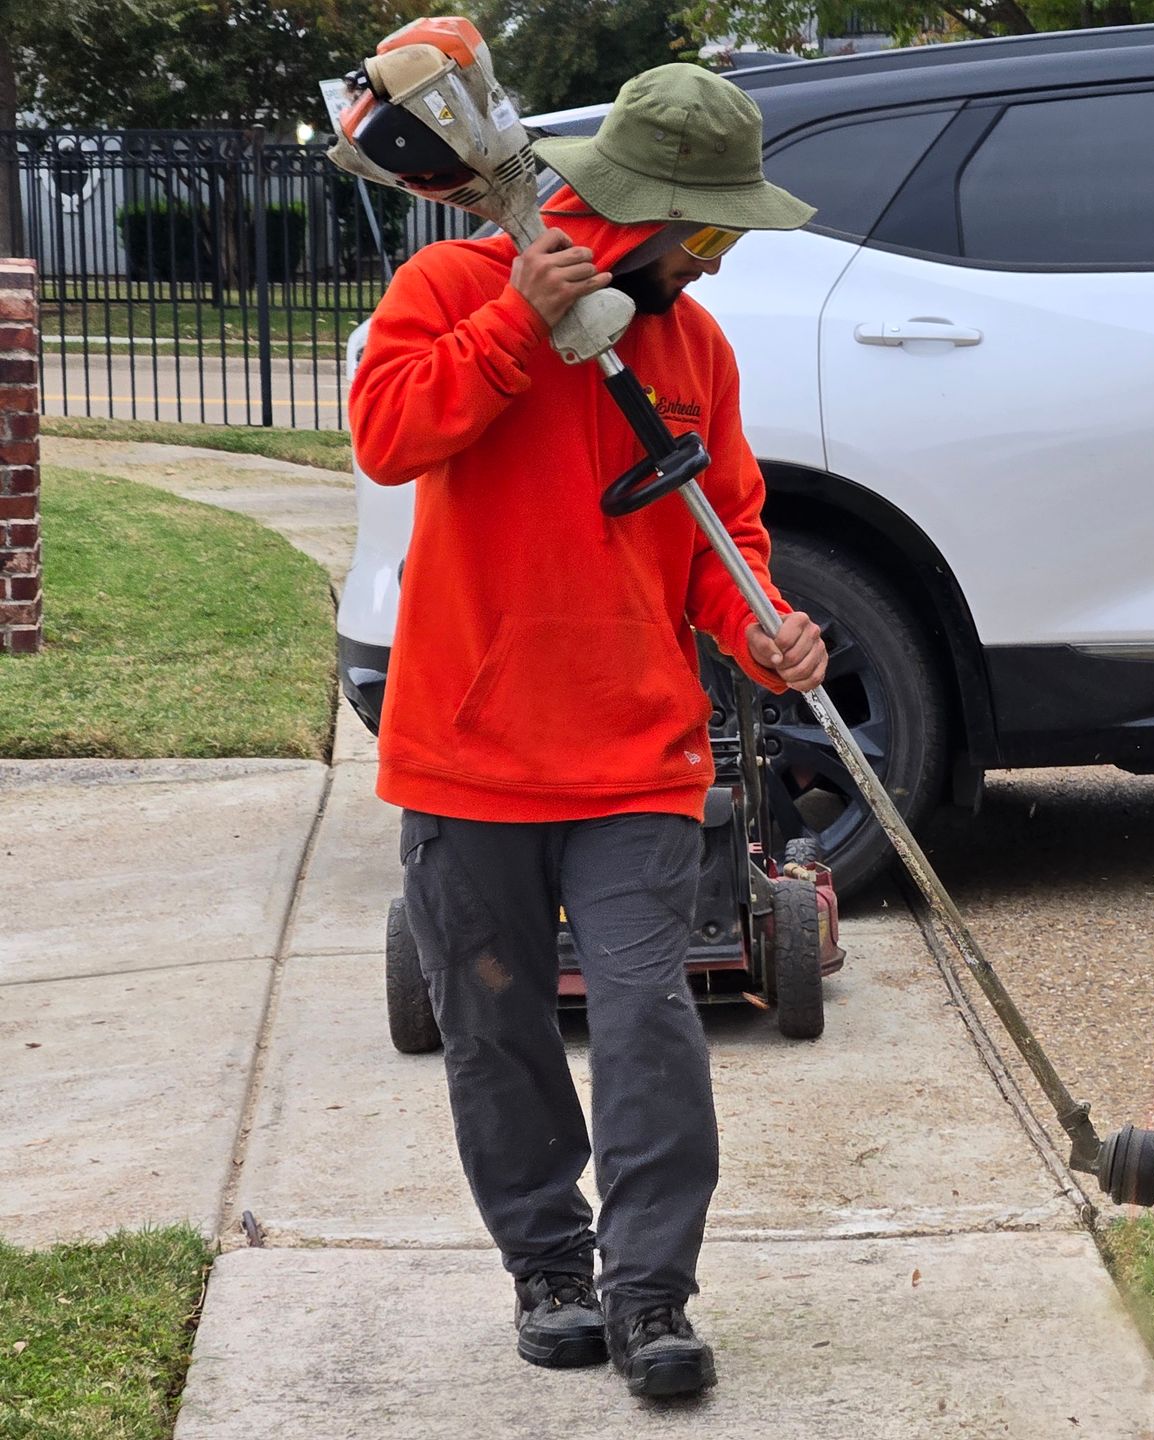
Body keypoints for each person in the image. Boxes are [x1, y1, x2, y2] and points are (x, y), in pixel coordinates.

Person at [347, 62, 826, 1398]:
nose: (716, 261)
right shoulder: (450, 287)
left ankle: (650, 1293)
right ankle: (550, 1269)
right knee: (497, 1031)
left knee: (648, 1024)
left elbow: (722, 533)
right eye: (709, 232)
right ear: (640, 209)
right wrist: (519, 321)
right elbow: (386, 437)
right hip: (469, 751)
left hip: (636, 754)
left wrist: (766, 628)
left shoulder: (693, 348)